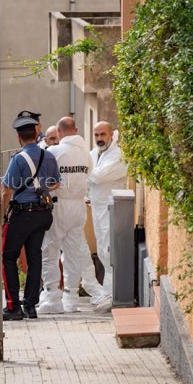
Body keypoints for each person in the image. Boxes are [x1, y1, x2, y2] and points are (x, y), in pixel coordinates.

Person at [37, 117, 108, 314]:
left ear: (59, 133)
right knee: (74, 253)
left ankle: (52, 297)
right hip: (78, 207)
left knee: (50, 252)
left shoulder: (54, 152)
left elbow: (45, 180)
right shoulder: (86, 155)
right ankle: (71, 297)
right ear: (75, 130)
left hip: (59, 206)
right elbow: (89, 175)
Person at [1, 113, 60, 320]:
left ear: (19, 137)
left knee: (8, 257)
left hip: (23, 214)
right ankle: (31, 305)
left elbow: (7, 190)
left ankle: (13, 306)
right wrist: (42, 188)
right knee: (35, 258)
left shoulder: (18, 159)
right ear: (37, 134)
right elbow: (56, 183)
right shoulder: (49, 156)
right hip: (43, 214)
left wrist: (3, 216)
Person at [88, 121, 128, 313]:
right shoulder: (94, 153)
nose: (99, 139)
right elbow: (89, 173)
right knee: (103, 251)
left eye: (102, 134)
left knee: (110, 250)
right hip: (97, 208)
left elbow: (97, 176)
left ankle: (114, 294)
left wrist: (87, 172)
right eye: (96, 135)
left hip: (112, 209)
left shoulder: (118, 155)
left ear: (111, 134)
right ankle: (107, 292)